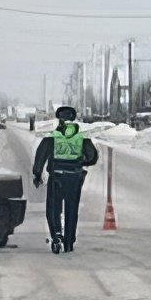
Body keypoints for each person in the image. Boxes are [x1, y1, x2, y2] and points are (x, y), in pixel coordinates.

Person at [32, 105, 98, 254]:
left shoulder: (53, 135)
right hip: (74, 177)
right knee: (71, 210)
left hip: (57, 176)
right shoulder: (82, 136)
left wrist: (37, 174)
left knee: (53, 208)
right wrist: (81, 163)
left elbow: (41, 155)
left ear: (59, 119)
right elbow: (92, 156)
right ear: (73, 118)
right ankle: (69, 242)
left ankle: (56, 236)